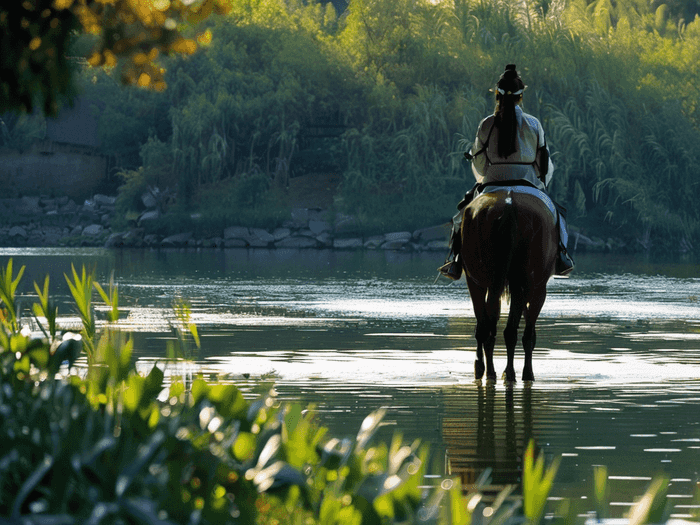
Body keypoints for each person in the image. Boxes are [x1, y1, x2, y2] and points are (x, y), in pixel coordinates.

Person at [438, 64, 575, 280]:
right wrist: (540, 182)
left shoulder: (487, 124)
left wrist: (488, 175)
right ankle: (562, 257)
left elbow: (481, 165)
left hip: (492, 183)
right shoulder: (534, 124)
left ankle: (455, 260)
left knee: (461, 217)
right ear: (521, 97)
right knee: (558, 216)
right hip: (528, 183)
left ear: (497, 96)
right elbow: (544, 164)